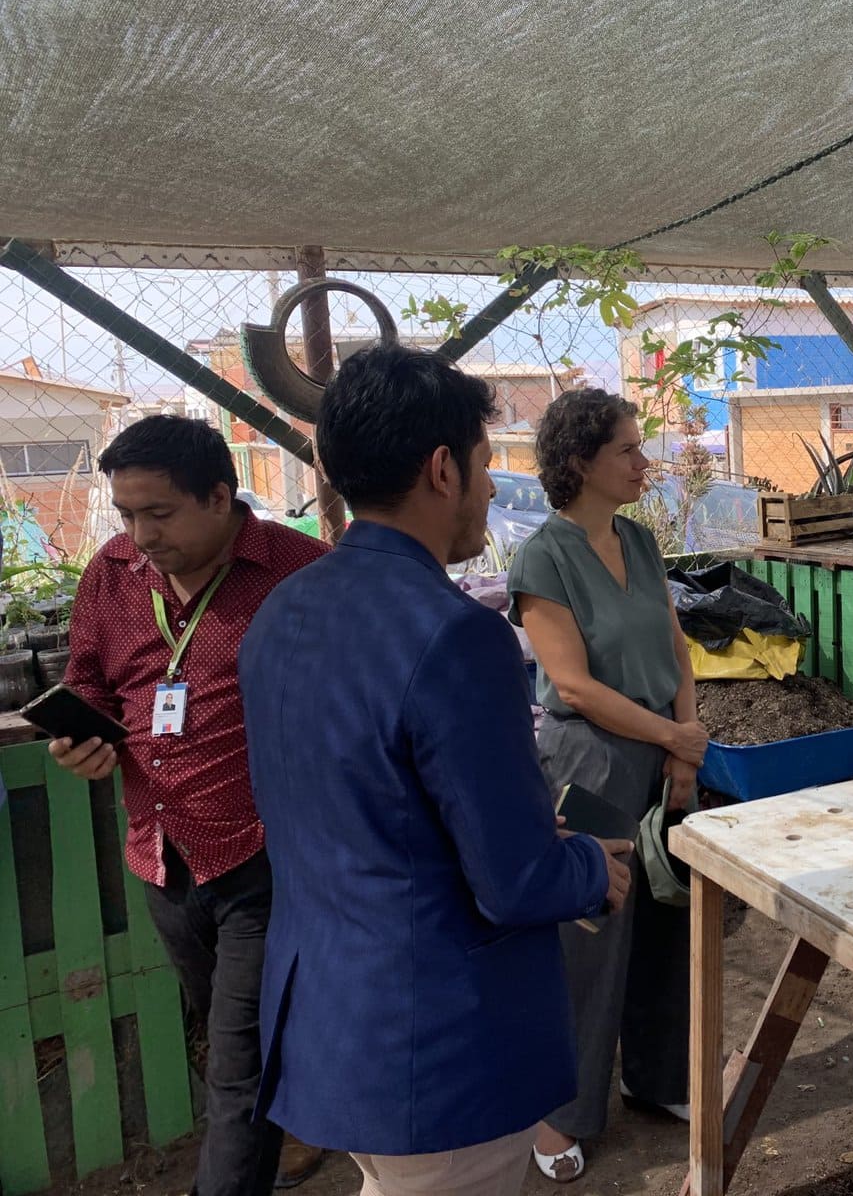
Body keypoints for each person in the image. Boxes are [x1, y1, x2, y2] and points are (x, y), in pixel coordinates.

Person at [238, 344, 629, 1196]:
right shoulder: (456, 635)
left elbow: (363, 801)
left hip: (329, 1020)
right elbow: (515, 883)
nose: (490, 489)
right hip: (437, 1041)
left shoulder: (284, 608)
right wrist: (589, 867)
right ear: (443, 469)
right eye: (486, 466)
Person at [46, 415, 329, 1196]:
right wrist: (81, 736)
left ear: (220, 496)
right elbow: (88, 679)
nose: (141, 536)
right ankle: (298, 1116)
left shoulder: (300, 573)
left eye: (159, 513)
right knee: (227, 1021)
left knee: (236, 1060)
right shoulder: (112, 573)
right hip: (162, 853)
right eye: (126, 514)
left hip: (265, 853)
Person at [507, 387, 706, 1182]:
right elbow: (574, 686)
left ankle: (657, 1078)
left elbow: (675, 644)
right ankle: (559, 1112)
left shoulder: (639, 540)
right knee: (585, 941)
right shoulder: (543, 558)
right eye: (626, 449)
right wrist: (673, 737)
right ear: (580, 461)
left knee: (666, 920)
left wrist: (685, 746)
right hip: (590, 762)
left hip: (662, 753)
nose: (642, 462)